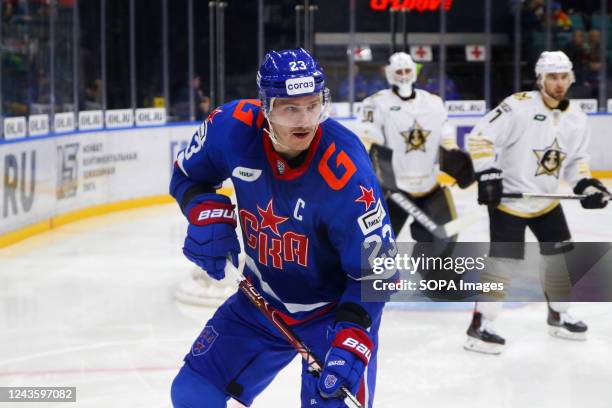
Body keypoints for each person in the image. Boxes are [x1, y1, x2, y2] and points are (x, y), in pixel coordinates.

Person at [169, 48, 396, 407]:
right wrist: (201, 209)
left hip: (332, 316)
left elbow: (378, 271)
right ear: (265, 107)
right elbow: (187, 176)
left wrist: (354, 332)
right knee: (192, 392)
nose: (304, 119)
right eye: (290, 108)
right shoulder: (231, 128)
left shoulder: (347, 172)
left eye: (312, 104)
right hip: (261, 302)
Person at [464, 50, 610, 354]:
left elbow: (577, 162)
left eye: (563, 77)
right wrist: (489, 174)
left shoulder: (576, 118)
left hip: (544, 202)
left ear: (570, 78)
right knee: (503, 264)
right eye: (552, 77)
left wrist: (587, 184)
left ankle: (558, 314)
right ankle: (481, 324)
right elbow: (479, 138)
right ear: (540, 79)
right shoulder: (518, 106)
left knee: (558, 259)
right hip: (509, 201)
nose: (558, 83)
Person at [360, 52, 474, 247]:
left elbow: (446, 138)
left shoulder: (434, 102)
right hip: (393, 189)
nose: (403, 75)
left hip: (430, 185)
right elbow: (369, 140)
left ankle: (433, 270)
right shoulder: (375, 103)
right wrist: (375, 172)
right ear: (389, 74)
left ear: (414, 72)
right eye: (399, 71)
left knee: (445, 242)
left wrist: (454, 153)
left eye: (407, 70)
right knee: (376, 244)